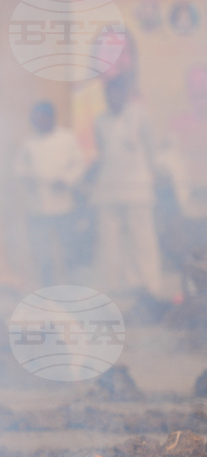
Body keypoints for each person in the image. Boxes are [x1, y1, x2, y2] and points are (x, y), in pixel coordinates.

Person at [91, 76, 164, 296]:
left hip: (137, 189)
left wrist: (153, 176)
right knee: (111, 242)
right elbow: (103, 152)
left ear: (125, 94)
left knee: (142, 240)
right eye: (109, 94)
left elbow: (152, 150)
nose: (113, 98)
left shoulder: (140, 116)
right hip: (108, 189)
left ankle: (149, 285)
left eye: (117, 93)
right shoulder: (100, 121)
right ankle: (116, 286)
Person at [13, 101, 87, 285]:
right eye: (35, 119)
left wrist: (66, 180)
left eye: (42, 118)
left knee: (67, 249)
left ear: (51, 118)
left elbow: (79, 164)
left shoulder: (67, 138)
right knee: (43, 251)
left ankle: (72, 286)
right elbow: (19, 169)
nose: (39, 122)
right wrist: (27, 179)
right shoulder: (29, 143)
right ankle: (48, 287)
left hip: (63, 204)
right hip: (38, 206)